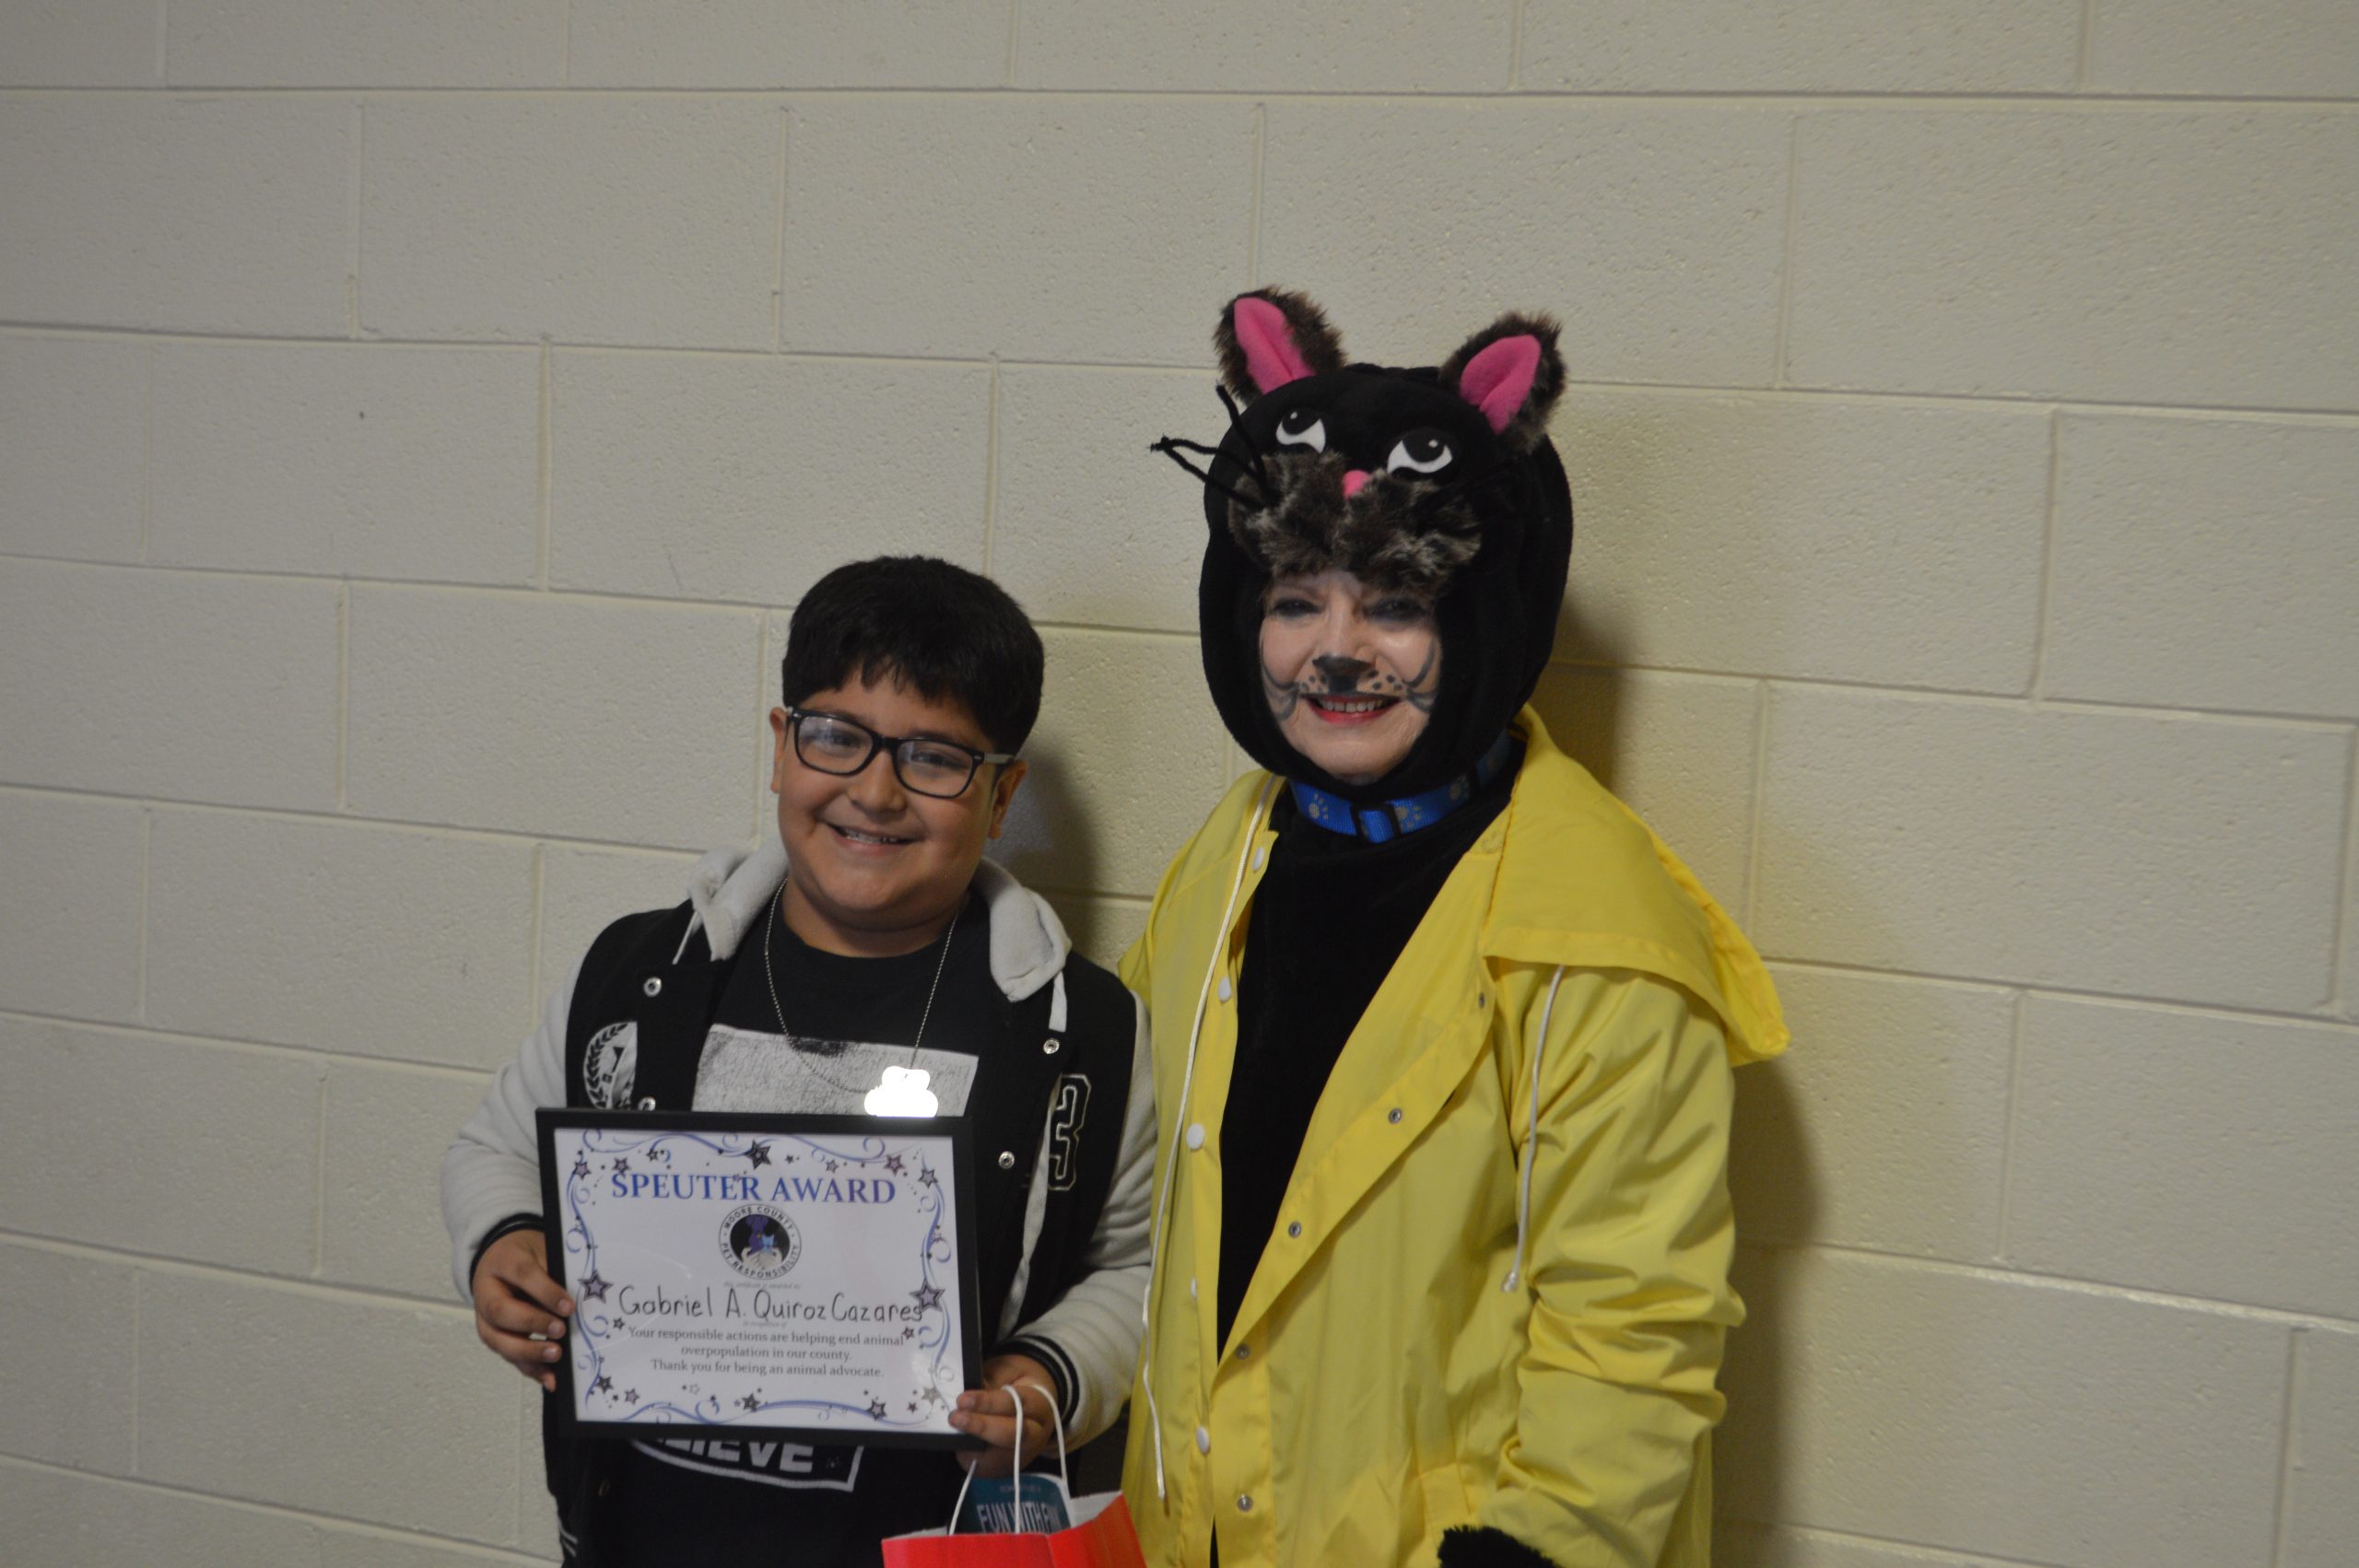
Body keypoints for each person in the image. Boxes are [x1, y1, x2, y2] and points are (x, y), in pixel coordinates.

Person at [1121, 290, 1789, 1567]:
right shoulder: (1233, 849)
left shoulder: (1598, 932)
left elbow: (1634, 1328)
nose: (1336, 653)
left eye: (1395, 603)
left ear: (1481, 617)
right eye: (1294, 600)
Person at [441, 556, 1154, 1566]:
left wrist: (1048, 1378)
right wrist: (506, 1246)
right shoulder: (643, 975)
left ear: (1002, 796)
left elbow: (1133, 1267)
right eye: (837, 737)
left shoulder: (1081, 1030)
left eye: (935, 758)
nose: (876, 791)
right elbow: (499, 1148)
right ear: (781, 745)